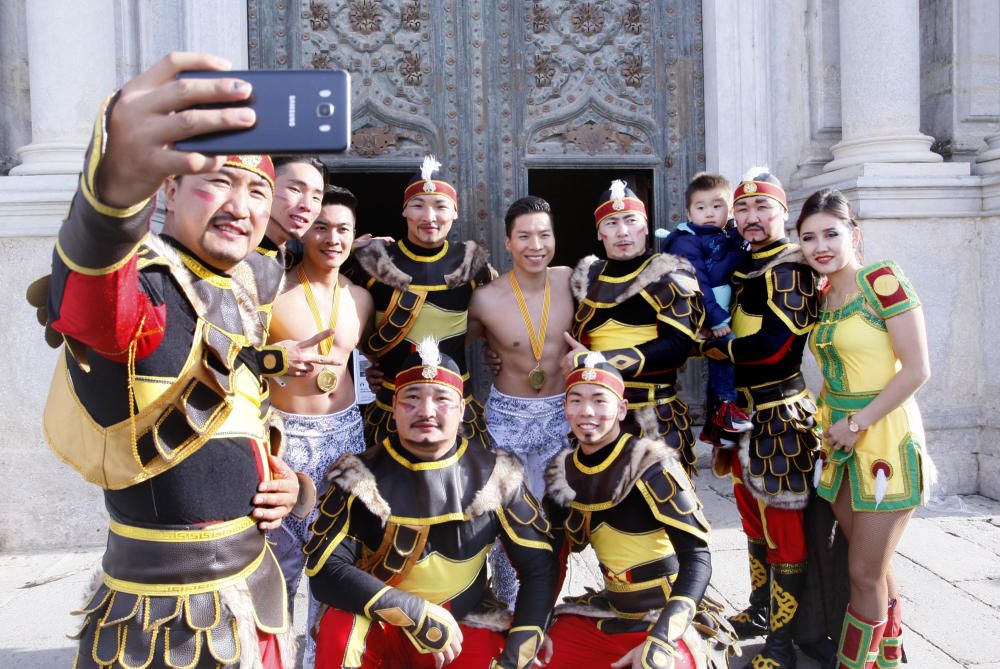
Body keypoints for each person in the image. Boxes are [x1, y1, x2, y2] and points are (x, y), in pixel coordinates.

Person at [37, 53, 307, 668]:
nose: (240, 204)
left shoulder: (242, 291)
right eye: (217, 180)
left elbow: (237, 423)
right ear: (169, 187)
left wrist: (294, 485)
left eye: (258, 189)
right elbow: (92, 296)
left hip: (256, 591)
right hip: (164, 624)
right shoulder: (149, 287)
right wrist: (111, 191)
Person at [304, 338, 557, 669]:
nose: (426, 411)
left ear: (462, 409)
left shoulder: (498, 474)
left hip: (464, 623)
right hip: (382, 622)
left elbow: (539, 567)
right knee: (339, 629)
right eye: (411, 399)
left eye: (442, 399)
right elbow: (326, 571)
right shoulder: (357, 475)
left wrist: (519, 651)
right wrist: (412, 611)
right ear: (393, 408)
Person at [797, 189, 933, 669]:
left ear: (854, 234)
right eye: (809, 237)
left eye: (831, 233)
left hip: (884, 441)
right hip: (837, 444)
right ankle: (890, 656)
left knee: (862, 572)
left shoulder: (883, 281)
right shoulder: (821, 294)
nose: (821, 246)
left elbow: (916, 369)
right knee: (871, 563)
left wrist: (858, 423)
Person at [543, 353, 736, 669]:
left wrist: (662, 638)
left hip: (669, 619)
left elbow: (697, 558)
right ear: (565, 408)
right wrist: (533, 624)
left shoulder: (652, 465)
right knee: (536, 656)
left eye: (599, 401)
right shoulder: (563, 471)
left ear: (621, 409)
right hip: (611, 612)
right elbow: (552, 559)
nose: (586, 411)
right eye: (575, 400)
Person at [700, 168, 821, 669]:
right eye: (743, 210)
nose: (751, 218)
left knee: (784, 532)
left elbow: (774, 348)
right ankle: (760, 611)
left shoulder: (790, 267)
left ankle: (780, 646)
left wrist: (717, 347)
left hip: (780, 416)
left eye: (762, 209)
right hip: (745, 415)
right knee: (754, 523)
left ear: (783, 213)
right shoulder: (744, 265)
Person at [267, 185, 374, 666]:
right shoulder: (272, 289)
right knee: (280, 561)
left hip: (347, 437)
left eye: (343, 229)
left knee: (337, 558)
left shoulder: (362, 299)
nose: (333, 238)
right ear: (303, 229)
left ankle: (324, 658)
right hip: (288, 439)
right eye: (322, 226)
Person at [467, 195, 574, 609]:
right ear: (508, 242)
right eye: (525, 236)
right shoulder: (485, 300)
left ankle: (544, 607)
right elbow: (444, 347)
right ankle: (508, 608)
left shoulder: (571, 282)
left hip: (560, 415)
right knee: (505, 518)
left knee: (557, 520)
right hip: (507, 419)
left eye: (544, 235)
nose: (536, 245)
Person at [349, 155, 496, 444]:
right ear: (404, 211)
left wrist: (498, 350)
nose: (429, 217)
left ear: (454, 213)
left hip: (457, 408)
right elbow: (331, 312)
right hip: (391, 410)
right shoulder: (372, 260)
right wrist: (362, 366)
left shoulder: (472, 263)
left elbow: (505, 309)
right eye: (418, 206)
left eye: (440, 206)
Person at [565, 179, 705, 474]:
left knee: (664, 507)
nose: (623, 231)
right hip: (597, 414)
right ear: (600, 232)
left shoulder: (669, 273)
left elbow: (676, 348)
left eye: (631, 220)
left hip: (654, 413)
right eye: (612, 222)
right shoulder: (586, 278)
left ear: (645, 226)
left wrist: (599, 361)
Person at [661, 172, 751, 445]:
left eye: (717, 206)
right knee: (725, 350)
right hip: (704, 313)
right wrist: (715, 317)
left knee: (725, 360)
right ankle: (725, 409)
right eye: (701, 208)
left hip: (727, 311)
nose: (709, 213)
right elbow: (697, 281)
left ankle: (719, 421)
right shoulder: (687, 240)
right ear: (689, 213)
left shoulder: (732, 235)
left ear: (730, 209)